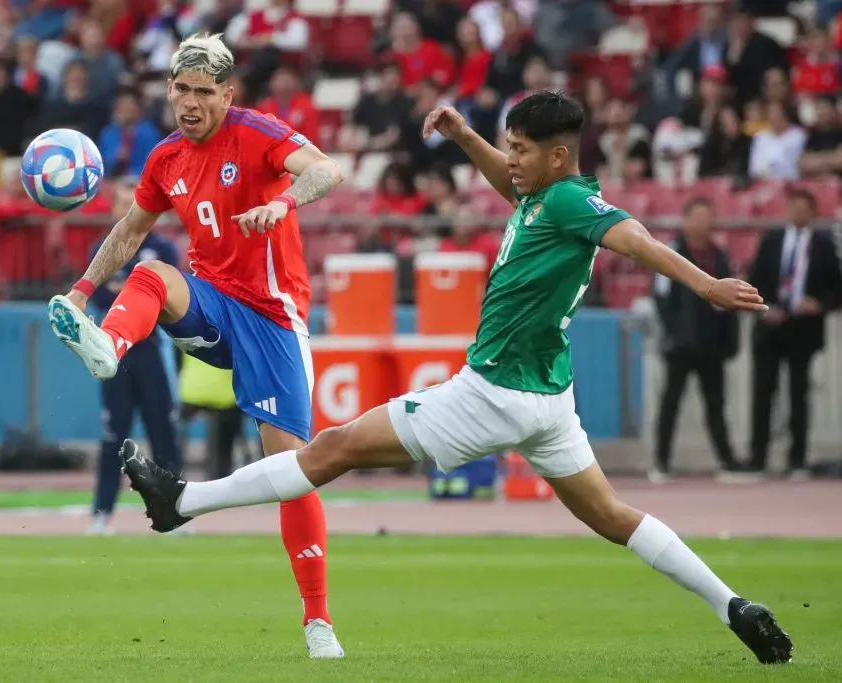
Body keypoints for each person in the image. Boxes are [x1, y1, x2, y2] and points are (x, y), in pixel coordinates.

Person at [119, 92, 794, 666]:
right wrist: (467, 136)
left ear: (558, 156)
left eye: (522, 148)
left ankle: (182, 502)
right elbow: (511, 182)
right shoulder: (546, 195)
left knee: (331, 448)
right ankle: (731, 604)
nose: (513, 160)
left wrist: (707, 284)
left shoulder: (570, 206)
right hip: (550, 399)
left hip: (492, 393)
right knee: (613, 516)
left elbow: (635, 238)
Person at [45, 33, 346, 659]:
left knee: (292, 472)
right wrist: (79, 292)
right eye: (180, 88)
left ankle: (317, 620)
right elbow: (129, 231)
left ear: (226, 94)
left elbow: (327, 167)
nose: (189, 101)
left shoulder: (257, 131)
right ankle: (109, 345)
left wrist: (284, 203)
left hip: (272, 320)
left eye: (203, 91)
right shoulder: (165, 158)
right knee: (152, 273)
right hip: (211, 304)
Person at [86, 213, 183, 536]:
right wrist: (138, 294)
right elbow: (99, 295)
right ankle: (101, 514)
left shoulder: (163, 248)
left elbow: (170, 297)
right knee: (113, 435)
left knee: (163, 435)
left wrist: (123, 289)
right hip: (114, 354)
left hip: (152, 350)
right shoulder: (103, 247)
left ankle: (178, 511)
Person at [747, 187, 842, 478]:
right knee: (763, 393)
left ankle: (798, 459)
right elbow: (755, 280)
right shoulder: (772, 240)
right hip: (770, 327)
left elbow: (837, 289)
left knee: (799, 394)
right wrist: (766, 308)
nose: (798, 213)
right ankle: (757, 458)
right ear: (786, 211)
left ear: (813, 213)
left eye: (804, 208)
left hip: (803, 329)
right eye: (793, 207)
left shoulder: (824, 244)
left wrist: (819, 304)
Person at [651, 198, 741, 482]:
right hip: (680, 345)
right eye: (697, 217)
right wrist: (675, 331)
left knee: (716, 405)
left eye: (707, 217)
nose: (702, 223)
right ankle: (661, 462)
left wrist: (729, 340)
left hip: (712, 344)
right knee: (671, 403)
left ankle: (727, 461)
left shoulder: (719, 255)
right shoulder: (672, 251)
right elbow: (662, 296)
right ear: (686, 219)